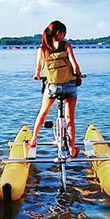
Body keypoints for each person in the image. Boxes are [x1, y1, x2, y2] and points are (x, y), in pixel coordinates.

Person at [29, 20, 83, 158]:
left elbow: (38, 70)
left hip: (52, 88)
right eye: (64, 33)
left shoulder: (42, 49)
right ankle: (72, 149)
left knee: (43, 112)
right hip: (69, 87)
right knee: (70, 118)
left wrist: (37, 76)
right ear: (59, 33)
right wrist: (78, 76)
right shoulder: (66, 46)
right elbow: (75, 66)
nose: (65, 36)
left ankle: (34, 140)